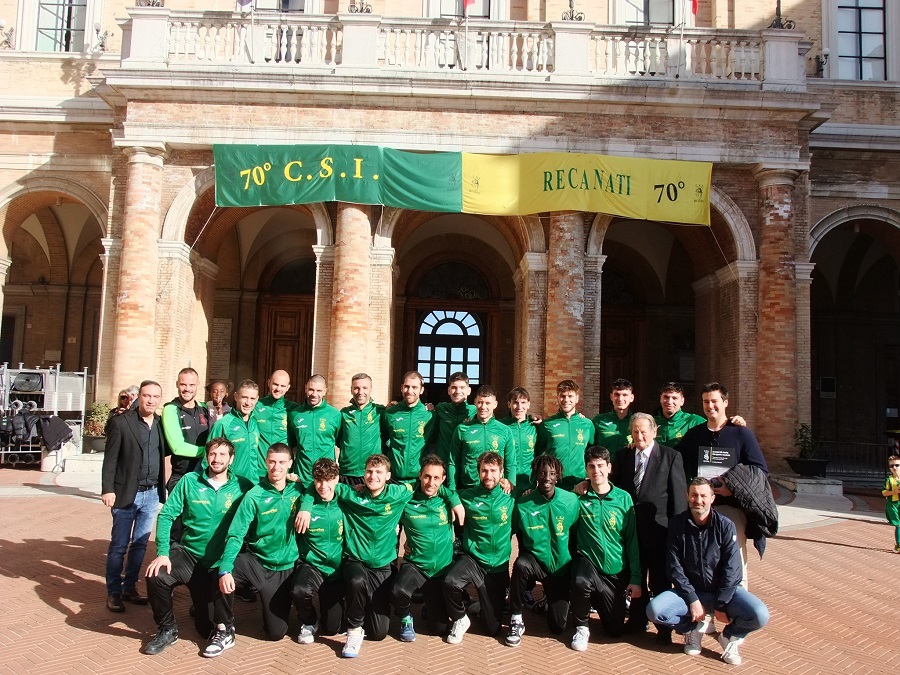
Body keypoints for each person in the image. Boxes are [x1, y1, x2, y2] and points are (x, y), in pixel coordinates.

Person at [295, 453, 462, 658]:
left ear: (388, 476)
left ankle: (365, 610)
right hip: (357, 559)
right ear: (363, 474)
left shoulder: (400, 493)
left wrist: (454, 499)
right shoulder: (351, 493)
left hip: (383, 565)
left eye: (378, 472)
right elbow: (319, 484)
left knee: (378, 633)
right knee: (356, 580)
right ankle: (354, 630)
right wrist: (305, 507)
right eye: (369, 471)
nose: (373, 476)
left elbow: (431, 484)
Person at [141, 438, 253, 655]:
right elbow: (166, 515)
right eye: (212, 454)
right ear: (206, 456)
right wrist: (163, 553)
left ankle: (215, 617)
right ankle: (167, 630)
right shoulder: (189, 481)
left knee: (206, 628)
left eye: (222, 455)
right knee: (156, 575)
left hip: (219, 561)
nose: (217, 459)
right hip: (189, 555)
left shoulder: (243, 486)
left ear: (231, 459)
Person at [646, 478, 770, 665]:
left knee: (759, 614)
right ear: (687, 496)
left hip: (725, 593)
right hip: (692, 592)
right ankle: (691, 630)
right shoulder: (677, 525)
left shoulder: (725, 525)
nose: (698, 500)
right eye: (694, 495)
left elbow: (733, 569)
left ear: (712, 498)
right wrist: (692, 599)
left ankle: (729, 636)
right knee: (655, 610)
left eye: (703, 496)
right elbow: (674, 567)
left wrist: (721, 604)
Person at [676, 382, 772, 587]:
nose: (710, 406)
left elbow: (760, 471)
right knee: (701, 561)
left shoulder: (741, 434)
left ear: (725, 402)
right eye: (706, 402)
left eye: (714, 401)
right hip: (701, 510)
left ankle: (737, 603)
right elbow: (674, 458)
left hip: (731, 509)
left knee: (734, 561)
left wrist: (733, 489)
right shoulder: (695, 434)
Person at [213, 443, 304, 655]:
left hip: (286, 567)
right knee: (222, 572)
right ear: (266, 462)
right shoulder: (254, 495)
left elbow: (322, 491)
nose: (276, 467)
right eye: (272, 462)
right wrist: (225, 568)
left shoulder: (299, 491)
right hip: (258, 562)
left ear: (290, 464)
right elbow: (236, 533)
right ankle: (224, 629)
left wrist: (306, 506)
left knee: (276, 632)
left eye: (281, 462)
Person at [612, 412, 687, 642]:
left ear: (654, 432)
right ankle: (637, 619)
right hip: (631, 531)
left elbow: (678, 500)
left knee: (659, 579)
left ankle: (664, 627)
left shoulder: (670, 457)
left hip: (659, 531)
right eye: (635, 431)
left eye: (644, 431)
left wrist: (677, 533)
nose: (640, 436)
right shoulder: (623, 456)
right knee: (634, 577)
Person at [101, 380, 168, 613]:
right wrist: (107, 489)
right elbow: (110, 459)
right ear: (138, 397)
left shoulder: (161, 424)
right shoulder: (121, 423)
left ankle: (130, 588)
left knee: (140, 545)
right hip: (126, 493)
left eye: (155, 397)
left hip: (151, 494)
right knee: (119, 545)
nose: (151, 400)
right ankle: (113, 592)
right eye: (147, 395)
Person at [569, 445, 641, 651]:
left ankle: (597, 599)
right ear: (586, 469)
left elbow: (632, 540)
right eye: (591, 466)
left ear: (609, 468)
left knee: (614, 630)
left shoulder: (624, 498)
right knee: (580, 580)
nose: (596, 471)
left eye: (600, 466)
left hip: (615, 571)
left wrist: (636, 578)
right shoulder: (579, 497)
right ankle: (582, 627)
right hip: (588, 562)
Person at [506, 454, 579, 648]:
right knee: (521, 564)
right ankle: (516, 618)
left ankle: (546, 602)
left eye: (552, 473)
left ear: (558, 476)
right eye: (542, 473)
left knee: (558, 627)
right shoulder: (523, 504)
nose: (547, 478)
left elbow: (577, 536)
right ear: (535, 475)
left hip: (561, 569)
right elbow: (509, 535)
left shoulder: (571, 501)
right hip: (536, 563)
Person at [443, 451, 515, 644]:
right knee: (450, 582)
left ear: (501, 473)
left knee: (492, 629)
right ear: (478, 472)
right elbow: (445, 492)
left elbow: (533, 495)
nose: (488, 475)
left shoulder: (511, 499)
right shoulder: (468, 496)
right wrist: (455, 501)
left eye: (493, 471)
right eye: (484, 470)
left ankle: (482, 605)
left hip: (497, 568)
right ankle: (460, 618)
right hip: (473, 560)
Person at [391, 454, 460, 641]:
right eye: (427, 476)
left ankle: (429, 607)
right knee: (398, 591)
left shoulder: (448, 500)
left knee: (439, 629)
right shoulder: (407, 500)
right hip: (416, 565)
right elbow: (383, 496)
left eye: (436, 478)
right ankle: (405, 617)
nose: (431, 482)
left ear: (443, 479)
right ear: (420, 475)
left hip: (441, 570)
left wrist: (454, 500)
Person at [291, 457, 345, 645]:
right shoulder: (305, 503)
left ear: (336, 479)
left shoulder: (345, 502)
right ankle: (308, 621)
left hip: (336, 571)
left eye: (328, 480)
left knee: (331, 629)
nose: (323, 486)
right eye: (318, 480)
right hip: (312, 564)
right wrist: (305, 506)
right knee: (299, 589)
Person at [448, 384, 515, 492]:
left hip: (496, 489)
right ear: (475, 402)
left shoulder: (505, 430)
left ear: (495, 404)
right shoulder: (462, 429)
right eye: (480, 402)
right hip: (468, 489)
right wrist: (452, 490)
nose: (483, 407)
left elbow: (510, 463)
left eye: (487, 403)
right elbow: (453, 463)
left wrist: (511, 484)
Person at [536, 380, 595, 490]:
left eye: (570, 396)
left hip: (580, 483)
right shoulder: (547, 424)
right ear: (557, 398)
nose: (566, 400)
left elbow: (592, 454)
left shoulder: (587, 424)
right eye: (562, 396)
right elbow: (538, 454)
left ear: (577, 398)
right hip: (554, 484)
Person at [160, 367, 211, 493]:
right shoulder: (171, 409)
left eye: (191, 385)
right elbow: (177, 447)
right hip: (182, 478)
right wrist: (209, 452)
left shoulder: (204, 408)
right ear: (177, 384)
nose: (187, 389)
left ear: (198, 384)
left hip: (205, 476)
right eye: (183, 384)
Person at [382, 371, 436, 485]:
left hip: (420, 480)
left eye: (414, 387)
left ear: (421, 390)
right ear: (402, 388)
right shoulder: (390, 414)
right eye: (406, 386)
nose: (409, 391)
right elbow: (382, 441)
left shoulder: (430, 415)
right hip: (393, 479)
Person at [288, 374, 341, 486]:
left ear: (325, 391)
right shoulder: (295, 414)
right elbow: (292, 443)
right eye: (311, 389)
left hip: (326, 478)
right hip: (302, 476)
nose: (314, 394)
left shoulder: (335, 415)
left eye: (319, 390)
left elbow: (339, 440)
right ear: (305, 388)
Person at [208, 380, 262, 483]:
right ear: (236, 396)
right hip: (232, 485)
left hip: (253, 484)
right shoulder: (222, 424)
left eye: (252, 398)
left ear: (257, 399)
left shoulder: (255, 423)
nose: (248, 403)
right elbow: (208, 459)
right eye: (244, 397)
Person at [338, 373, 385, 485]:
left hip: (372, 471)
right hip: (347, 472)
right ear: (351, 390)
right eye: (356, 388)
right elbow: (338, 439)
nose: (360, 392)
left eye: (364, 388)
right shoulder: (344, 413)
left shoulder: (380, 412)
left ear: (371, 389)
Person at [500, 387, 538, 493]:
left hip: (530, 485)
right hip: (506, 485)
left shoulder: (535, 427)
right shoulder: (500, 426)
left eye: (523, 402)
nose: (519, 407)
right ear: (509, 404)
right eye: (515, 403)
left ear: (528, 404)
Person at [434, 372, 475, 465]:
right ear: (449, 390)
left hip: (466, 465)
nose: (457, 391)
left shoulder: (475, 411)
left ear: (469, 390)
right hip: (443, 464)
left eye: (462, 387)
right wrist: (427, 407)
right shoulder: (441, 408)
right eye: (454, 387)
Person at [654, 382, 707, 446]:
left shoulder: (694, 421)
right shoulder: (651, 422)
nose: (669, 402)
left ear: (682, 401)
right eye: (666, 397)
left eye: (674, 398)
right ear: (660, 399)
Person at [254, 370, 295, 450]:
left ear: (288, 387)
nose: (278, 389)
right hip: (261, 457)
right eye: (275, 384)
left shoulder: (293, 409)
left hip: (282, 457)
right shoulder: (256, 406)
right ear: (269, 383)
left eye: (282, 386)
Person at [593, 378, 635, 453]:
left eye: (625, 395)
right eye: (617, 394)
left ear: (631, 398)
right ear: (611, 397)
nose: (620, 399)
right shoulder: (598, 421)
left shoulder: (636, 421)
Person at [882, 455, 900, 553]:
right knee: (898, 524)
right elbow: (884, 493)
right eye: (892, 466)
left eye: (897, 465)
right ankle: (899, 545)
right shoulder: (888, 479)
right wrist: (894, 491)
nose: (894, 468)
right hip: (893, 504)